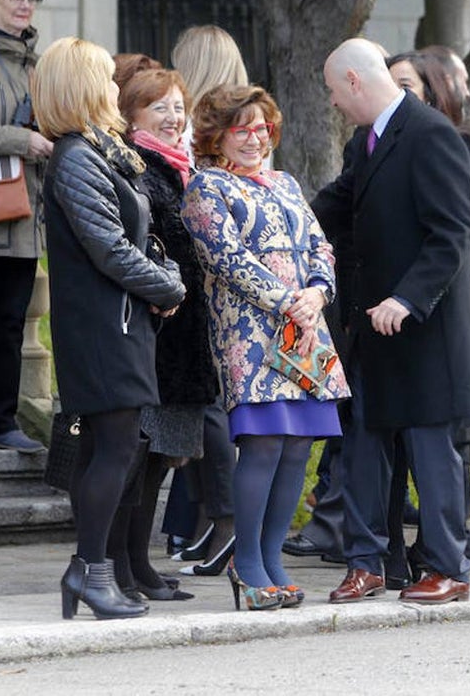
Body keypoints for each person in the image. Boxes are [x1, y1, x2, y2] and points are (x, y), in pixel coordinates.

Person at [317, 38, 470, 605]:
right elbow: (337, 203)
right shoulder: (364, 142)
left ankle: (449, 567)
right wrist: (279, 213)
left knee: (431, 450)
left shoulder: (431, 134)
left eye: (332, 92)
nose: (333, 104)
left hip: (427, 327)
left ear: (353, 81)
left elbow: (452, 233)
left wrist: (408, 299)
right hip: (374, 325)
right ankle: (366, 561)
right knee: (366, 445)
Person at [181, 84, 349, 610]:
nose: (254, 138)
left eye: (262, 128)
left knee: (299, 446)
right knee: (265, 441)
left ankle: (273, 559)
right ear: (217, 135)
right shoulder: (206, 187)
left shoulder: (286, 182)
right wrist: (287, 300)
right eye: (241, 128)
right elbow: (225, 258)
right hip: (249, 333)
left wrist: (318, 293)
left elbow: (320, 245)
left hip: (305, 330)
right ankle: (245, 562)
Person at [35, 36, 185, 619]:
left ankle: (92, 572)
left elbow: (136, 238)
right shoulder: (76, 157)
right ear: (80, 87)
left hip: (118, 320)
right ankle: (89, 570)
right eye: (102, 77)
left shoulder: (102, 152)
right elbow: (110, 250)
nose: (112, 89)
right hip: (103, 327)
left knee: (114, 446)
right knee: (116, 447)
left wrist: (164, 271)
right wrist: (168, 286)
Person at [101, 65, 214, 603]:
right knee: (136, 459)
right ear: (131, 114)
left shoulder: (180, 169)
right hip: (152, 333)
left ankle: (139, 563)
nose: (173, 118)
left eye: (177, 107)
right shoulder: (136, 167)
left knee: (155, 464)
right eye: (159, 108)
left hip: (182, 335)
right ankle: (120, 566)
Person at [164, 24, 248, 573]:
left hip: (199, 279)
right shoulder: (246, 123)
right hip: (234, 279)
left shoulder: (193, 132)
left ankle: (224, 521)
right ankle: (207, 522)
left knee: (206, 404)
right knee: (207, 404)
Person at [0, 0, 50, 455]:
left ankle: (1, 422)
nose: (26, 5)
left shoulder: (40, 63)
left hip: (26, 219)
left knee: (8, 326)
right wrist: (20, 141)